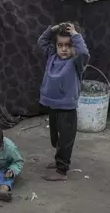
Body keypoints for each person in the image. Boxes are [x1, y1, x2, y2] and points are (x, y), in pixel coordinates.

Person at [37, 22, 89, 181]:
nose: (64, 49)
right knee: (56, 137)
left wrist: (75, 34)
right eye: (60, 45)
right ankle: (59, 159)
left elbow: (83, 52)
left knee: (65, 139)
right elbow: (41, 42)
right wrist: (52, 29)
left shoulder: (76, 62)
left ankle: (61, 170)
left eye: (68, 45)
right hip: (52, 104)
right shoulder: (52, 56)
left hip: (67, 108)